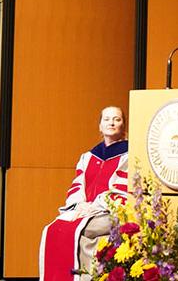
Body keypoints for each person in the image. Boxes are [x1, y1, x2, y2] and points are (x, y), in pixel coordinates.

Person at [39, 106, 128, 281]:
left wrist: (96, 205)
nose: (111, 123)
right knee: (53, 229)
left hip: (110, 210)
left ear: (123, 126)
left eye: (117, 119)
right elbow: (78, 184)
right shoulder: (88, 157)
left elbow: (122, 188)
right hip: (85, 208)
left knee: (84, 231)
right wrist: (79, 204)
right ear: (100, 126)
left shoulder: (128, 155)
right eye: (107, 119)